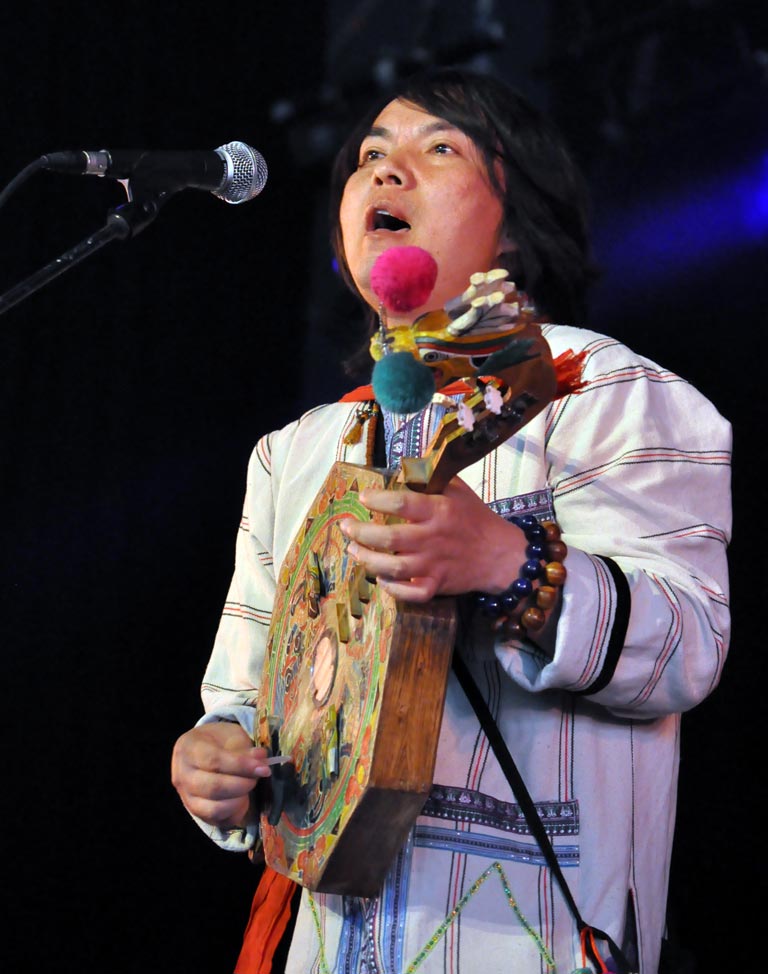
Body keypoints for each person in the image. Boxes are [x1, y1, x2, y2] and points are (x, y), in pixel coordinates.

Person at [171, 67, 731, 974]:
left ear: (518, 223)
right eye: (370, 156)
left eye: (439, 149)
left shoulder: (608, 391)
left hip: (529, 935)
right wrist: (214, 762)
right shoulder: (292, 454)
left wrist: (508, 562)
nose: (386, 172)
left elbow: (691, 644)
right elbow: (240, 698)